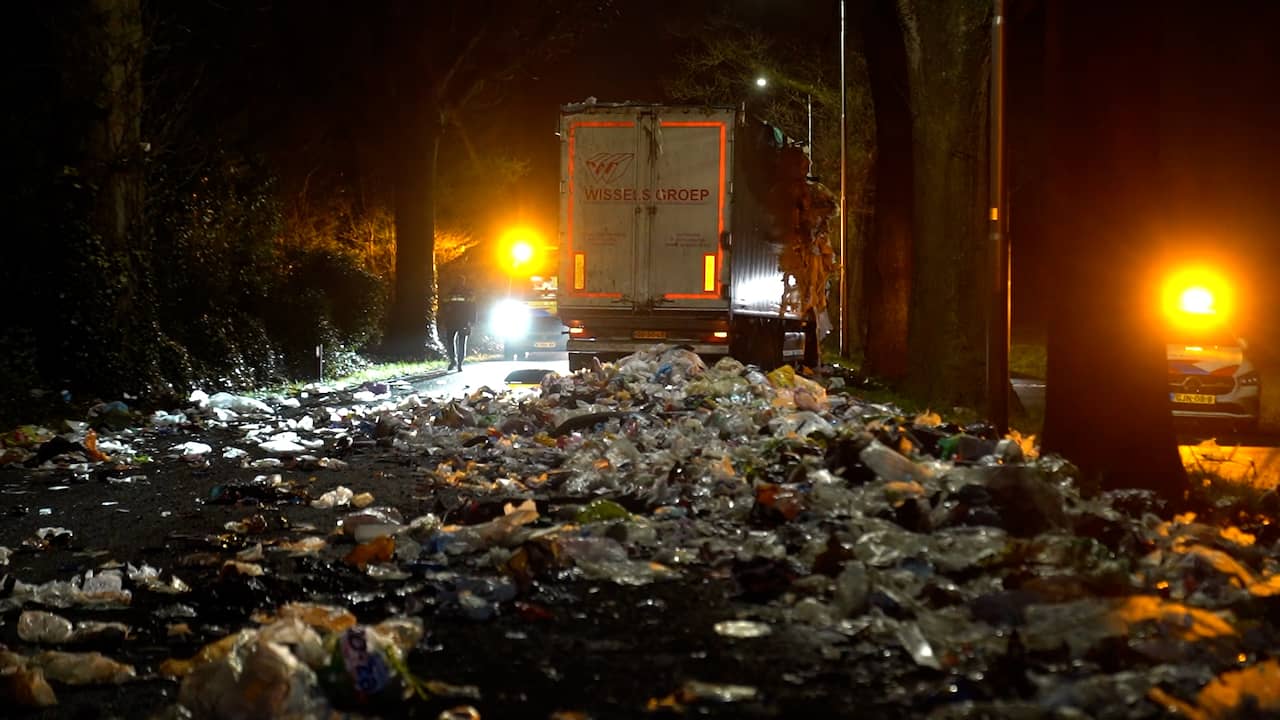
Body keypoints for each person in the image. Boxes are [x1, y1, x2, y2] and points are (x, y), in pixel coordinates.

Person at [438, 276, 477, 371]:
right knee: (457, 342)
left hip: (458, 321)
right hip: (457, 321)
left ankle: (457, 362)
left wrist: (471, 320)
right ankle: (456, 362)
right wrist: (472, 321)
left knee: (456, 342)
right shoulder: (466, 293)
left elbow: (472, 308)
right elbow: (473, 308)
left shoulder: (452, 293)